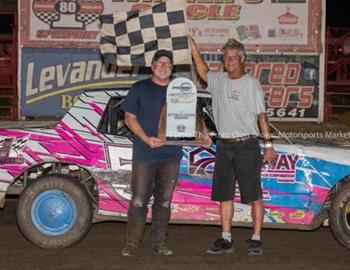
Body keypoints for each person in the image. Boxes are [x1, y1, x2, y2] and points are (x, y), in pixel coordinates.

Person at [189, 37, 276, 256]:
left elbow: (262, 117)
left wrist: (268, 145)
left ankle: (256, 239)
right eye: (226, 57)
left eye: (233, 57)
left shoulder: (251, 83)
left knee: (253, 194)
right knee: (224, 195)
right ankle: (226, 238)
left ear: (242, 58)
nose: (229, 61)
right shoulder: (217, 80)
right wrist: (192, 46)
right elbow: (202, 69)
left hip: (247, 145)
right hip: (224, 146)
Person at [120, 49, 211, 257]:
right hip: (145, 154)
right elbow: (129, 118)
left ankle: (159, 242)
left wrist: (203, 136)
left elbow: (193, 117)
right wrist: (147, 140)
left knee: (164, 202)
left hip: (171, 156)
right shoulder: (140, 88)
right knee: (139, 200)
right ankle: (132, 243)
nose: (163, 67)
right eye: (160, 63)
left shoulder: (181, 89)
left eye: (168, 64)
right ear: (152, 66)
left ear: (172, 69)